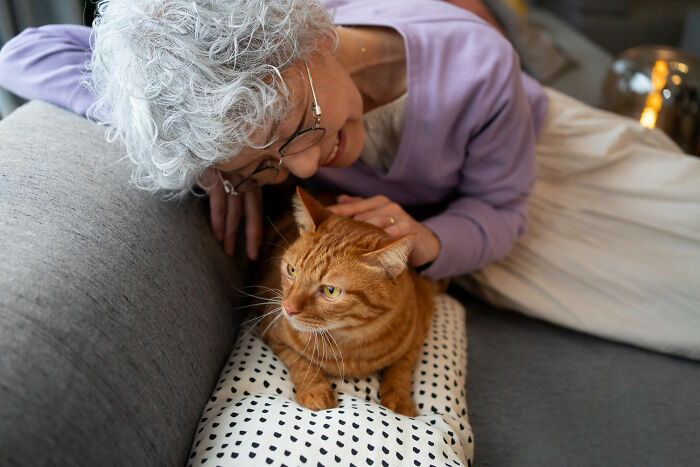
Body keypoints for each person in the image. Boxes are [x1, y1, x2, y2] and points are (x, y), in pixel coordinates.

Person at [1, 0, 698, 359]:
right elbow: (25, 51)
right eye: (271, 163)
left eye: (301, 126)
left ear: (311, 38)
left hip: (539, 151)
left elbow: (501, 202)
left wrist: (431, 238)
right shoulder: (239, 81)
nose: (308, 167)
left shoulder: (473, 64)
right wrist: (207, 150)